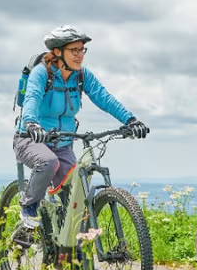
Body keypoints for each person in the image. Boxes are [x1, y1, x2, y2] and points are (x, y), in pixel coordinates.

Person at [14, 25, 149, 229]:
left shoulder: (82, 76)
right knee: (48, 162)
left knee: (75, 198)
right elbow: (32, 98)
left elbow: (104, 98)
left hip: (63, 143)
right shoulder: (42, 73)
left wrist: (130, 120)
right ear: (58, 52)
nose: (79, 55)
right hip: (30, 138)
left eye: (82, 50)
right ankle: (29, 207)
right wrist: (31, 123)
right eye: (73, 50)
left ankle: (66, 247)